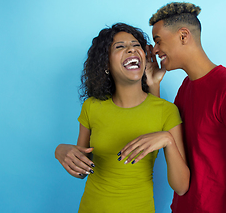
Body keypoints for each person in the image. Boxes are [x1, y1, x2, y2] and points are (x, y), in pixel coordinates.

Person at [54, 23, 189, 213]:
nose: (131, 49)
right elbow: (81, 171)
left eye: (136, 45)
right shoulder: (92, 106)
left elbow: (181, 186)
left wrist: (168, 140)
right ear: (106, 64)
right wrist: (61, 151)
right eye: (120, 46)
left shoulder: (166, 111)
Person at [145, 2, 226, 213]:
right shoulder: (185, 89)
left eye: (158, 40)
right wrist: (154, 86)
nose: (155, 50)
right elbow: (167, 142)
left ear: (183, 36)